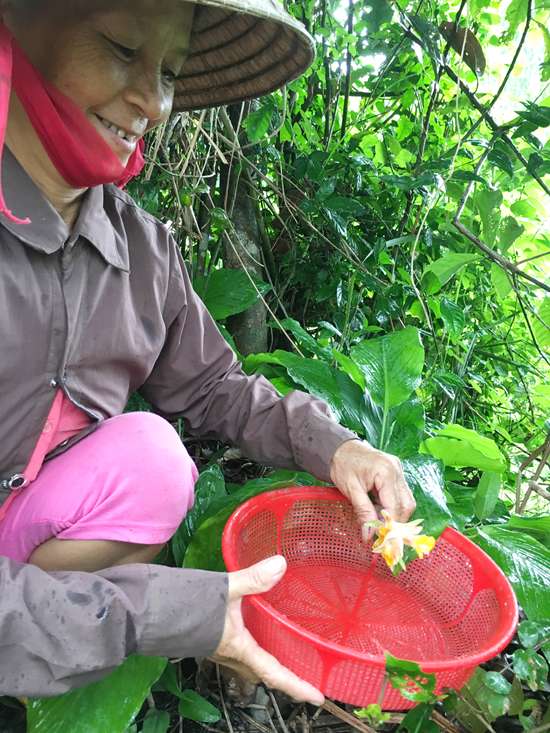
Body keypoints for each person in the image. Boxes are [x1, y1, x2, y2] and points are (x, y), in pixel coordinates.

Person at [0, 0, 415, 700]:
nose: (152, 102)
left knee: (157, 462)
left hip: (30, 535)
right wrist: (166, 613)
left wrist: (335, 446)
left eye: (168, 71)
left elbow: (215, 384)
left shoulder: (141, 249)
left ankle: (41, 633)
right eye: (121, 49)